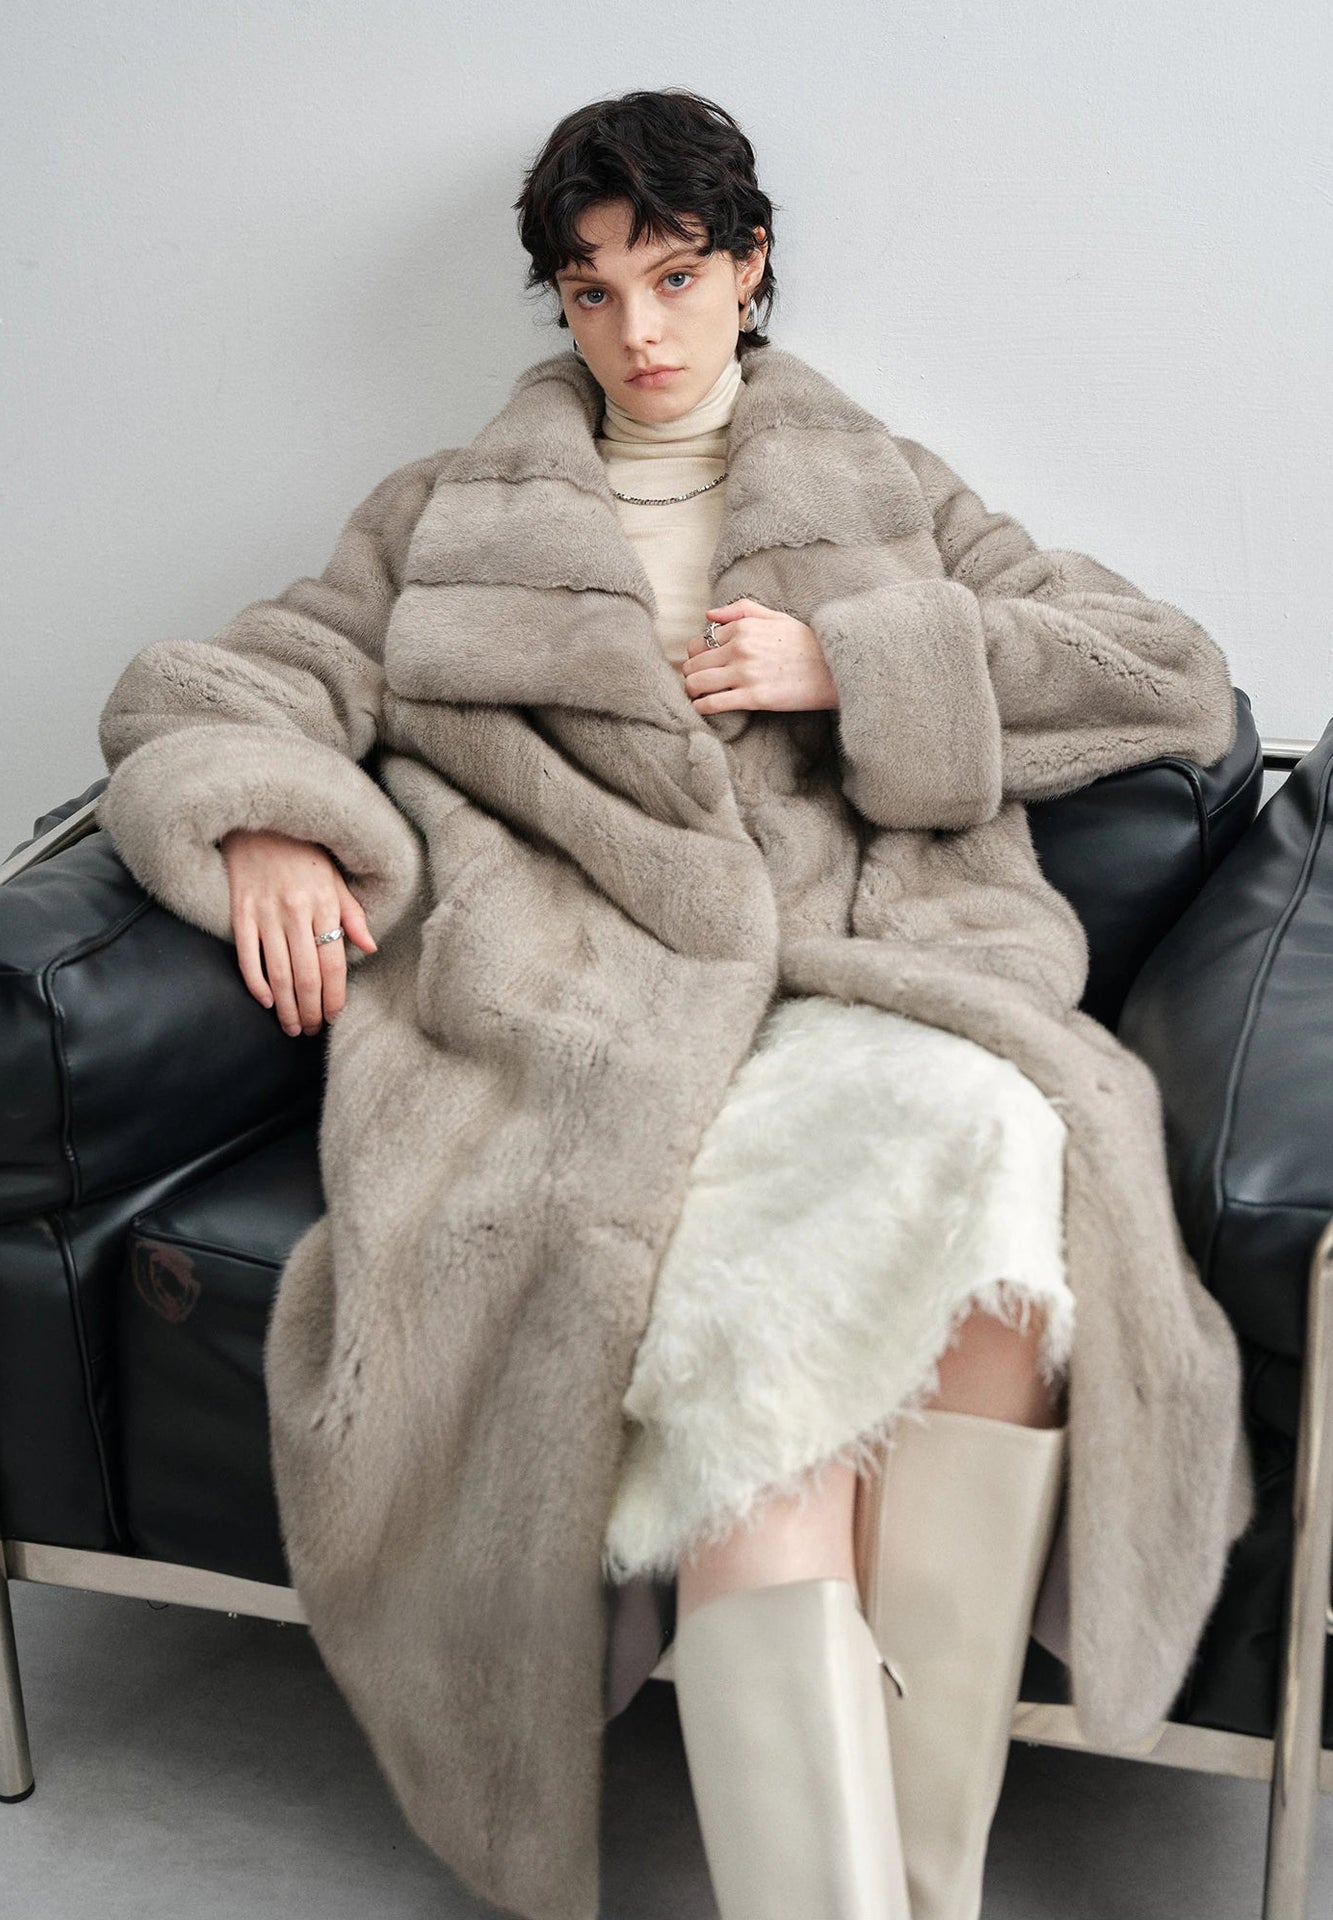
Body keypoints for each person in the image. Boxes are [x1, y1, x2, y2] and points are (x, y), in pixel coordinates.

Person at [96, 87, 1248, 1920]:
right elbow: (221, 679)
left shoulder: (881, 490)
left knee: (997, 1188)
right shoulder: (444, 517)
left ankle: (908, 1883)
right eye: (593, 288)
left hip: (869, 970)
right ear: (558, 304)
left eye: (678, 274)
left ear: (750, 266)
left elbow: (1162, 678)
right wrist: (260, 829)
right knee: (754, 1380)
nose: (639, 330)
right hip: (584, 1015)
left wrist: (851, 661)